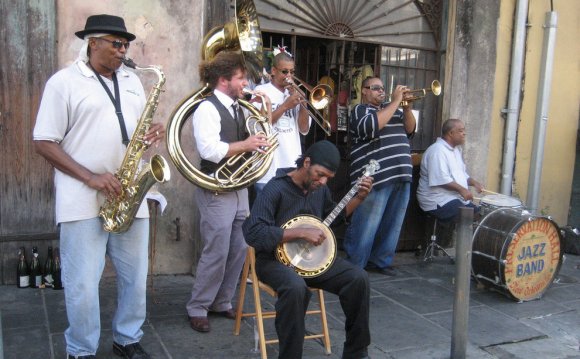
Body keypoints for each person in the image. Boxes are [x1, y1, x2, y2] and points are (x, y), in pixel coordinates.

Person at [33, 14, 163, 359]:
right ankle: (81, 349)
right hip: (82, 197)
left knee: (135, 279)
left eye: (126, 45)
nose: (123, 51)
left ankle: (127, 338)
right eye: (116, 44)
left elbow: (134, 131)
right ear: (93, 42)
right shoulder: (64, 82)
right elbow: (44, 141)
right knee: (83, 286)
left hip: (129, 194)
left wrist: (154, 131)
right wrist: (90, 177)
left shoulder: (133, 80)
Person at [243, 140, 373, 359]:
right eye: (319, 174)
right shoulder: (275, 189)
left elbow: (334, 219)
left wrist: (359, 198)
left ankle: (356, 353)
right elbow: (253, 232)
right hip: (274, 261)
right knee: (295, 288)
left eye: (328, 178)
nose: (322, 181)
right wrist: (298, 232)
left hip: (312, 261)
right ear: (307, 162)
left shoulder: (319, 190)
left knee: (358, 278)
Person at [186, 51, 272, 333]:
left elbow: (252, 136)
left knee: (239, 247)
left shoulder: (240, 106)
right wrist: (246, 145)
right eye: (240, 78)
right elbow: (209, 150)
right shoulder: (207, 108)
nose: (245, 82)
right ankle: (198, 306)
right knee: (217, 249)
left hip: (238, 186)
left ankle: (222, 301)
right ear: (224, 80)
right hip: (216, 187)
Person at [343, 76, 417, 276]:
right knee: (366, 223)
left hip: (401, 173)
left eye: (382, 88)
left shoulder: (394, 109)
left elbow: (410, 130)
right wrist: (395, 102)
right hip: (374, 177)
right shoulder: (360, 110)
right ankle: (354, 265)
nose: (380, 91)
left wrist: (407, 108)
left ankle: (380, 261)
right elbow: (371, 127)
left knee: (392, 223)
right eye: (375, 88)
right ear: (364, 91)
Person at [253, 47, 311, 194]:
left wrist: (303, 103)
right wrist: (285, 106)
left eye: (292, 72)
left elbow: (304, 129)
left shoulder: (294, 93)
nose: (289, 76)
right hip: (267, 169)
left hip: (291, 167)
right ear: (273, 71)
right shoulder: (261, 91)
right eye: (284, 71)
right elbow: (259, 125)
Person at [417, 118, 484, 222]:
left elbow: (461, 175)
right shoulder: (437, 151)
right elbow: (441, 180)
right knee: (470, 217)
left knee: (482, 215)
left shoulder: (456, 150)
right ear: (451, 133)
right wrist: (462, 190)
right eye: (461, 131)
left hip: (453, 197)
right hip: (437, 200)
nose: (464, 134)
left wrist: (474, 183)